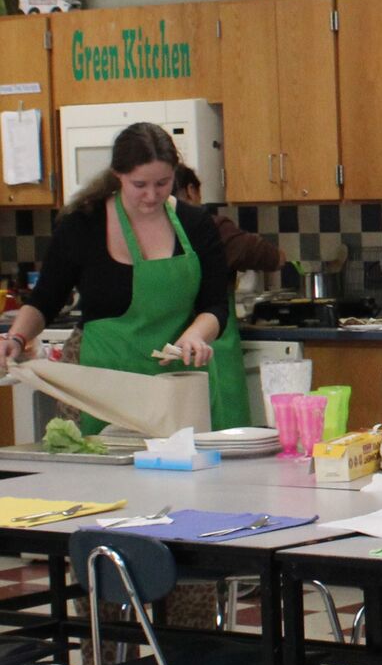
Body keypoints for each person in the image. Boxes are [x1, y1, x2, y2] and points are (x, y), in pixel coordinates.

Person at [0, 123, 230, 436]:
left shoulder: (196, 224)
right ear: (118, 175)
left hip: (179, 387)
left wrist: (196, 336)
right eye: (140, 185)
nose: (152, 195)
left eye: (162, 183)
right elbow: (44, 300)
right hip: (103, 390)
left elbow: (214, 304)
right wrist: (15, 339)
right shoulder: (82, 226)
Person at [175, 164, 286, 429]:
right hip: (214, 346)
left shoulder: (141, 227)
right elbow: (272, 257)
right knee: (226, 440)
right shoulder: (213, 227)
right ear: (191, 191)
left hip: (167, 351)